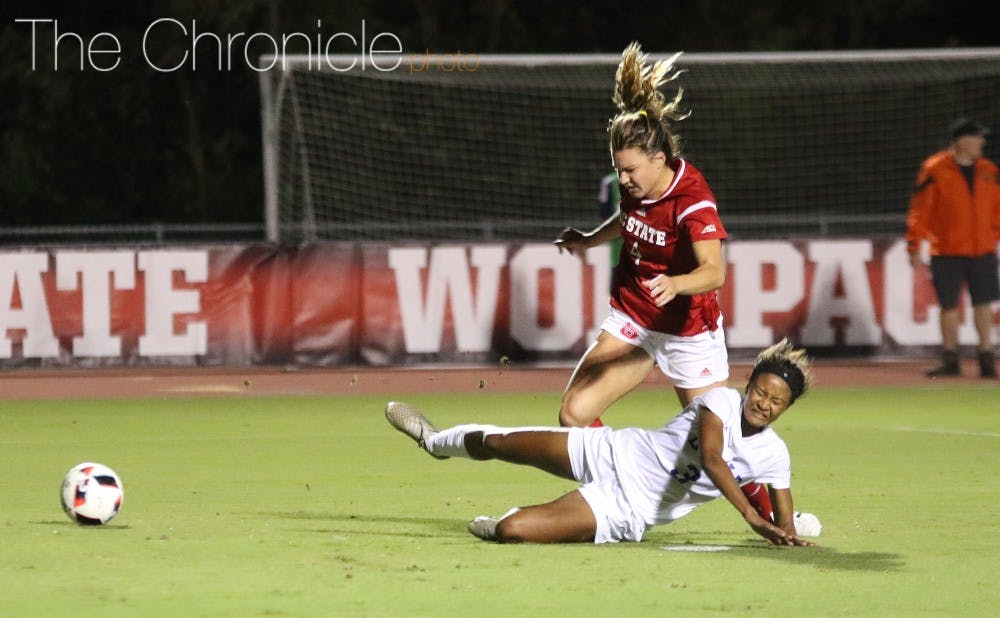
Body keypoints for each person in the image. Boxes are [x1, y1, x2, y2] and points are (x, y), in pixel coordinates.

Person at [385, 339, 818, 546]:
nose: (763, 403)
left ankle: (502, 521)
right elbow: (711, 458)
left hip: (628, 508)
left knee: (512, 532)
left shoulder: (774, 456)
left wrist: (788, 533)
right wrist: (749, 516)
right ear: (748, 385)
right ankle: (434, 439)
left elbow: (782, 517)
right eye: (760, 392)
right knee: (500, 443)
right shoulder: (721, 401)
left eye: (776, 401)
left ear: (788, 407)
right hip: (612, 450)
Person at [553, 42, 729, 427]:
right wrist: (587, 240)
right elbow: (628, 220)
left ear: (659, 159)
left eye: (630, 170)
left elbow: (714, 272)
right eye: (618, 170)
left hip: (687, 328)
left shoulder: (693, 202)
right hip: (634, 314)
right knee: (574, 414)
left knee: (715, 443)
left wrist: (676, 283)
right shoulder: (636, 190)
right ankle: (616, 482)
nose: (623, 179)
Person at [906, 117, 1000, 379]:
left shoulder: (989, 170)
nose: (982, 142)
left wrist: (994, 235)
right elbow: (920, 210)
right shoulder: (935, 169)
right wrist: (914, 245)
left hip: (982, 249)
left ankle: (986, 356)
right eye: (977, 137)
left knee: (983, 303)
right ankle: (950, 358)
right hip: (946, 250)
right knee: (949, 305)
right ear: (962, 141)